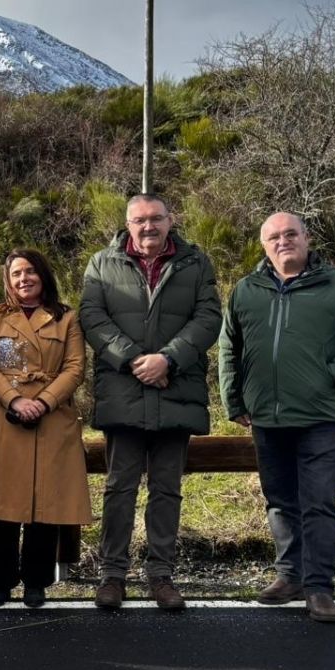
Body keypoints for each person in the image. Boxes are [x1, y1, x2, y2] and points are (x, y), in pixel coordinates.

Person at [219, 212, 335, 623]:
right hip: (266, 418)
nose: (283, 242)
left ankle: (319, 588)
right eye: (274, 237)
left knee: (319, 504)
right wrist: (234, 401)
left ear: (306, 238)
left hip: (320, 417)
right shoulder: (247, 290)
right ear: (264, 246)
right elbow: (229, 347)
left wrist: (331, 375)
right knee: (279, 502)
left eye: (290, 234)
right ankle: (289, 576)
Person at [79, 193, 221, 611]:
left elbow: (209, 317)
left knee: (167, 489)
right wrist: (133, 360)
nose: (148, 227)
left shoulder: (196, 263)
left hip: (175, 391)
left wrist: (169, 359)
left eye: (155, 219)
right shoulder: (101, 264)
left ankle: (161, 575)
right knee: (118, 488)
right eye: (139, 220)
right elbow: (93, 318)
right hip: (123, 392)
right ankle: (112, 576)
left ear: (169, 219)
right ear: (127, 222)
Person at [0, 249, 92, 607]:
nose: (24, 279)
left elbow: (75, 367)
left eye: (30, 272)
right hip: (3, 417)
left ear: (43, 275)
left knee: (45, 503)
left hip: (51, 418)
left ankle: (36, 582)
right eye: (17, 274)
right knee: (1, 503)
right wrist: (15, 400)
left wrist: (44, 401)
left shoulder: (66, 317)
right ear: (8, 279)